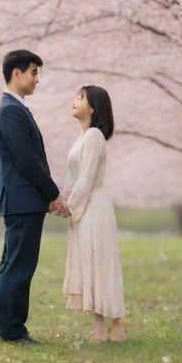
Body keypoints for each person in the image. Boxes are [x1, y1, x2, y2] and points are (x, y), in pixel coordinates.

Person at [0, 49, 69, 344]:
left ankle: (10, 329)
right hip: (22, 201)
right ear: (17, 73)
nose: (37, 79)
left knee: (15, 265)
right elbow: (27, 161)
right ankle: (13, 332)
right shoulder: (11, 110)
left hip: (22, 201)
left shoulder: (14, 107)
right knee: (19, 267)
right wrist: (53, 194)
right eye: (34, 72)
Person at [61, 85, 125, 342]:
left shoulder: (95, 135)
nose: (74, 101)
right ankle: (99, 328)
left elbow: (86, 179)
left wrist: (70, 205)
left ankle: (118, 325)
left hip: (94, 208)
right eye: (75, 96)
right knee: (90, 265)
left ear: (93, 108)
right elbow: (73, 177)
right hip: (82, 208)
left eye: (80, 98)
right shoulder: (82, 138)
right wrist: (62, 200)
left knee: (102, 264)